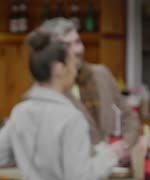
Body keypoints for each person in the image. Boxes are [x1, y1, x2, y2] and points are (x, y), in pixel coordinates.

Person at [0, 30, 128, 180]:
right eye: (72, 64)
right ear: (59, 69)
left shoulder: (19, 112)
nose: (75, 72)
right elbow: (80, 179)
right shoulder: (71, 119)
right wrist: (111, 155)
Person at [38, 18, 140, 164]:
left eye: (78, 42)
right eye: (67, 45)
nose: (77, 50)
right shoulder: (49, 90)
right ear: (51, 54)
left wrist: (124, 148)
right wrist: (106, 154)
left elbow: (129, 116)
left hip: (115, 172)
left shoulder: (101, 74)